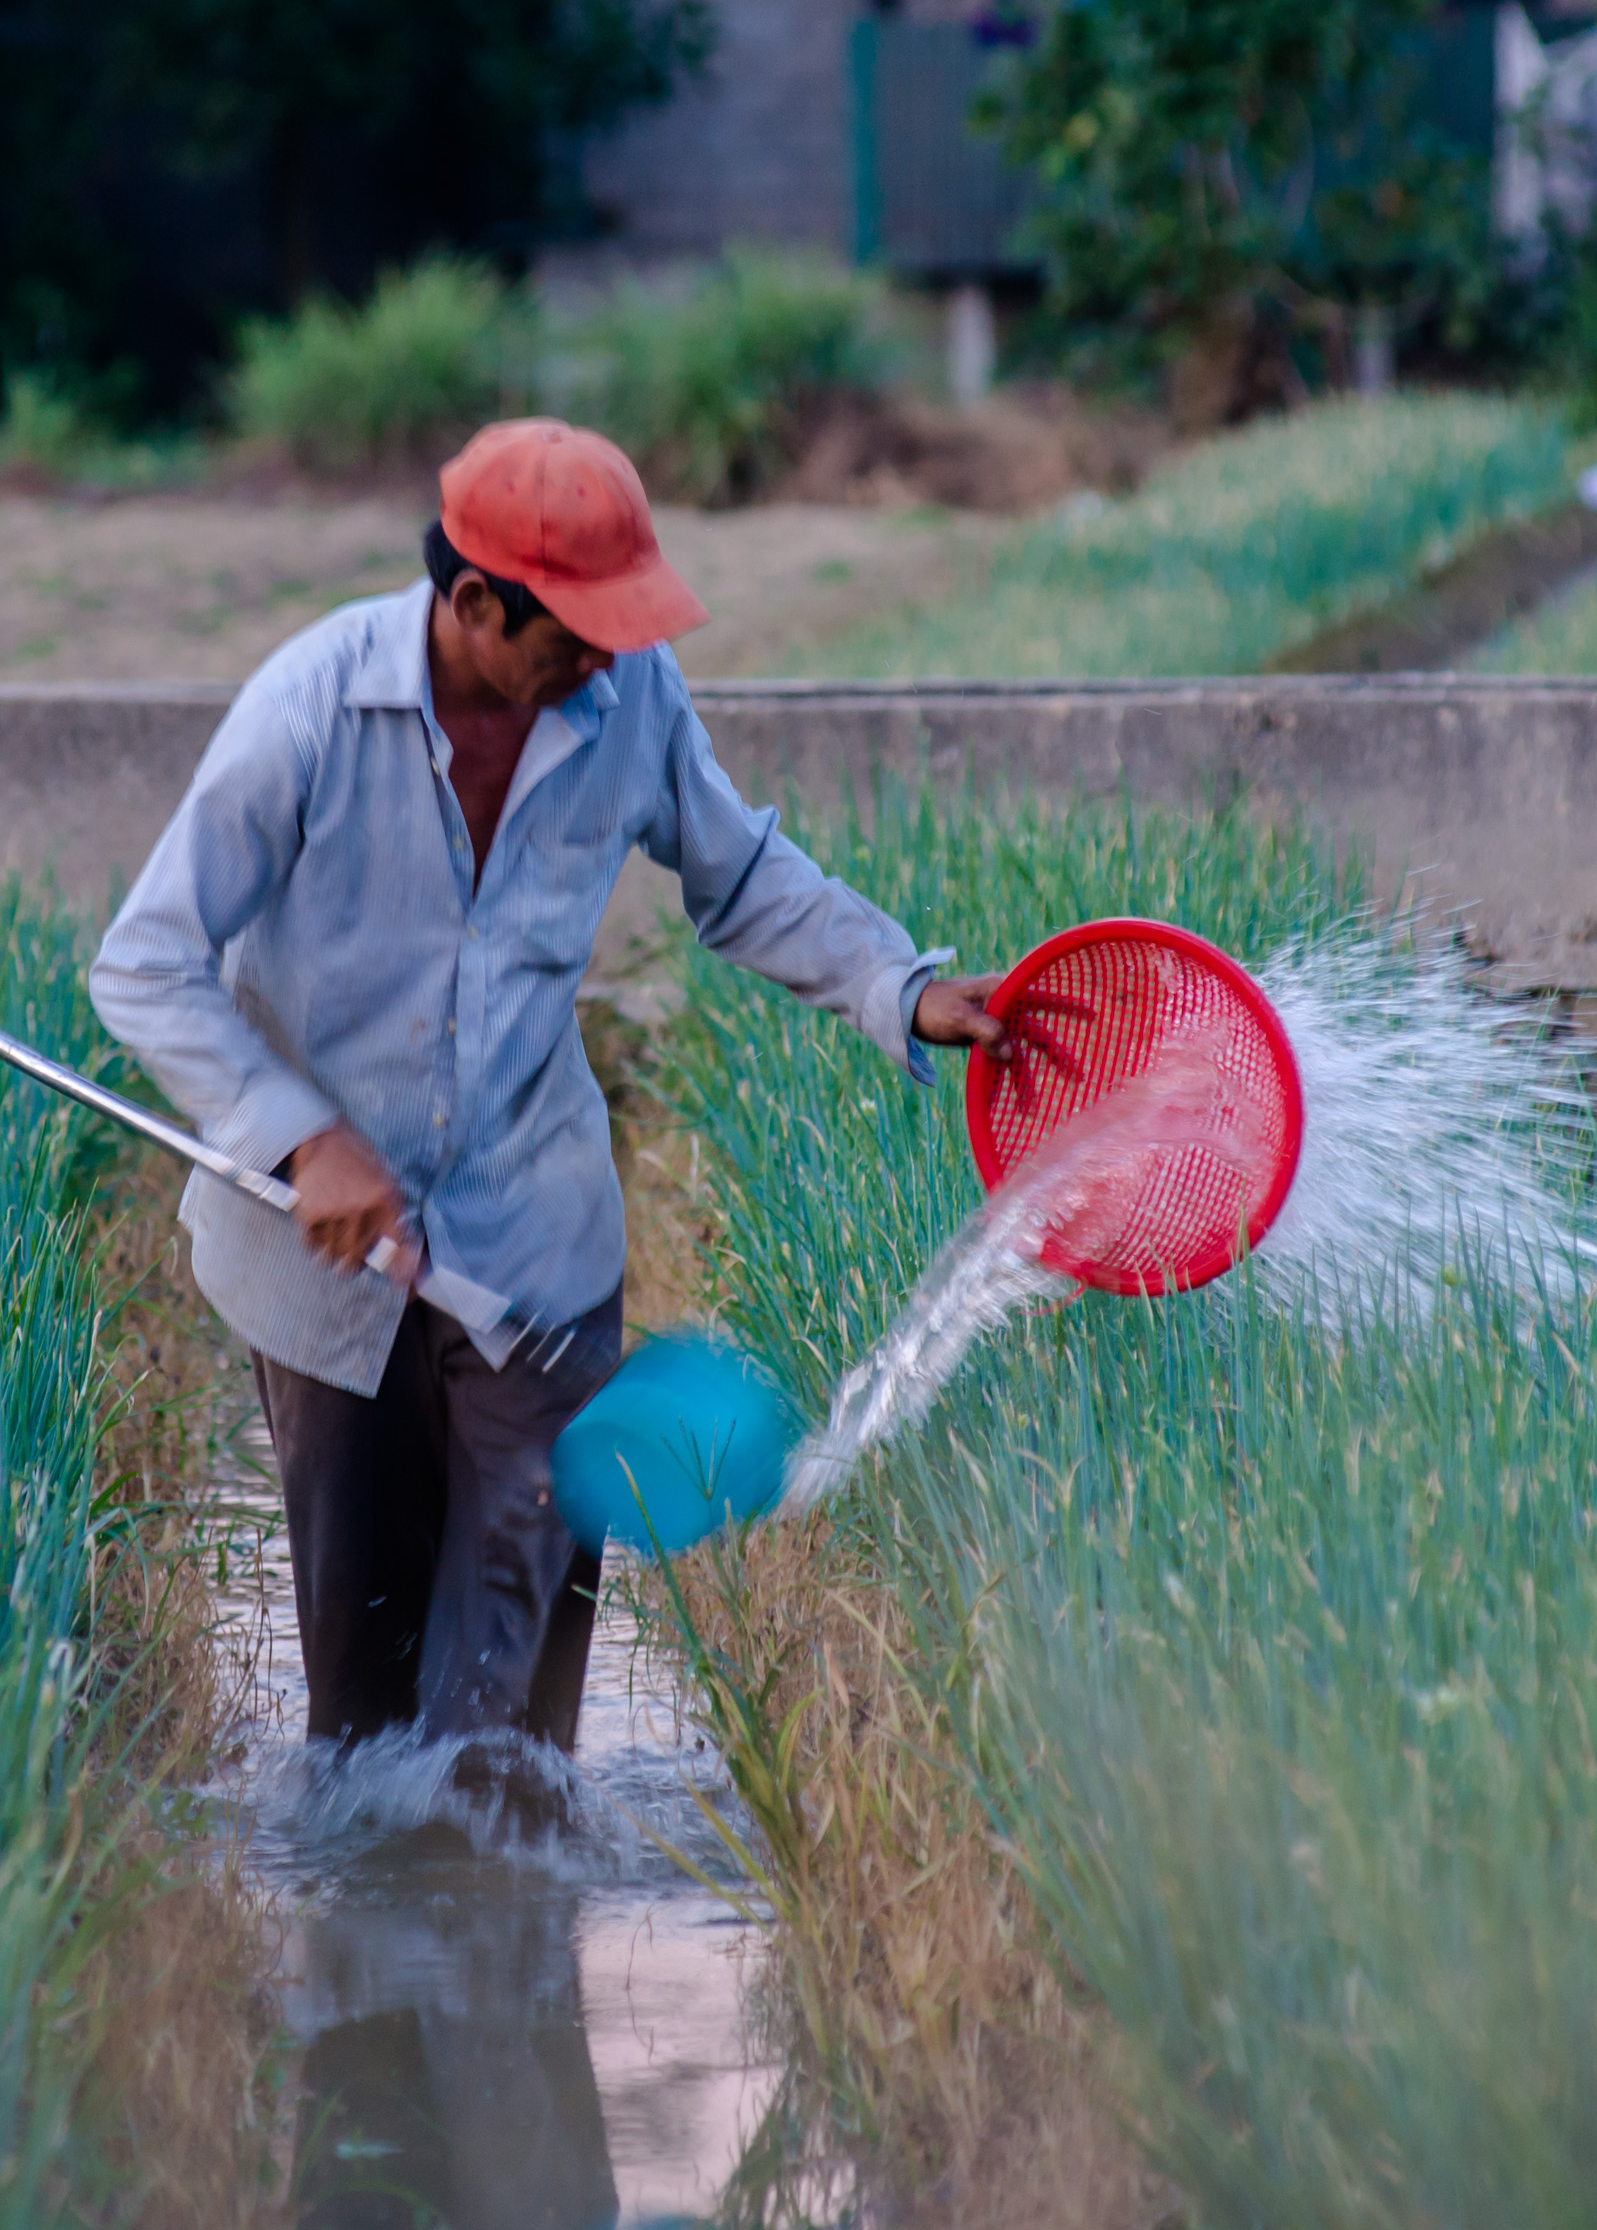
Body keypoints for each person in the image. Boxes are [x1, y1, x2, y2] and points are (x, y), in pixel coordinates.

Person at [90, 417, 1001, 1764]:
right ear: (470, 604)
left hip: (534, 1242)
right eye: (574, 631)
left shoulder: (626, 698)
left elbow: (738, 876)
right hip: (326, 1268)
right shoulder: (308, 714)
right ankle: (384, 1953)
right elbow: (144, 963)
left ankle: (509, 1935)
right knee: (362, 1708)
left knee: (510, 1731)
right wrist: (300, 1141)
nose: (604, 659)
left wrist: (897, 986)